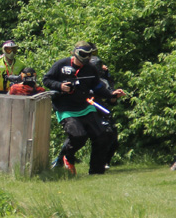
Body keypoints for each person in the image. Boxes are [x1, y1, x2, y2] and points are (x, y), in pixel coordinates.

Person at [42, 42, 124, 176]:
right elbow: (46, 80)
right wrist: (60, 86)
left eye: (89, 55)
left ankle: (96, 172)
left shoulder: (90, 69)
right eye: (83, 54)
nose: (86, 57)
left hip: (85, 107)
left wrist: (111, 94)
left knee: (102, 135)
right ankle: (68, 157)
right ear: (75, 52)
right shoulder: (61, 64)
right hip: (65, 108)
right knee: (78, 135)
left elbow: (98, 87)